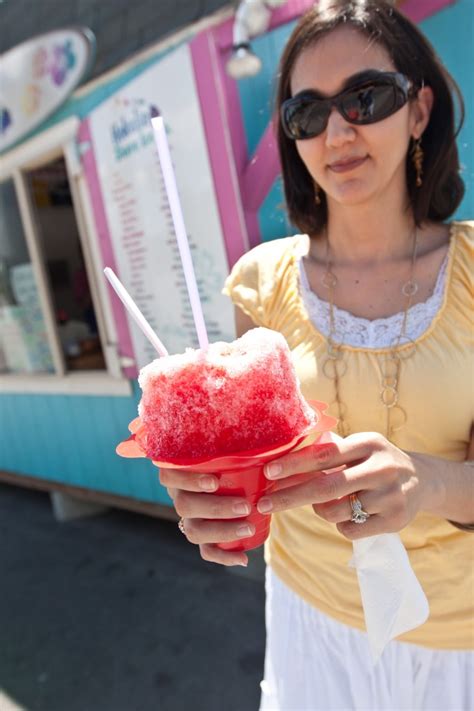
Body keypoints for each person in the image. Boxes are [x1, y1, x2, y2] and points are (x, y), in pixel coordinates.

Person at [160, 1, 473, 708]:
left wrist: (430, 482)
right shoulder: (259, 282)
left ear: (419, 109)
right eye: (307, 112)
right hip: (312, 625)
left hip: (460, 642)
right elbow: (250, 468)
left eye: (366, 97)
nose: (337, 131)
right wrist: (207, 493)